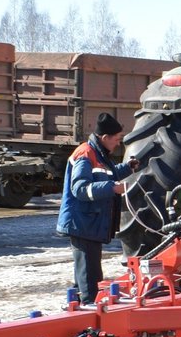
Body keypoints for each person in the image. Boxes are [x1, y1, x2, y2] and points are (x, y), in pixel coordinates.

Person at [57, 113, 154, 303]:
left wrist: (128, 168)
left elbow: (107, 173)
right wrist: (112, 188)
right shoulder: (85, 155)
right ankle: (88, 314)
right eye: (116, 140)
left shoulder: (98, 153)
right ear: (105, 138)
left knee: (89, 275)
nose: (118, 144)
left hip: (89, 223)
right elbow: (80, 189)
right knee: (89, 278)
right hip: (82, 224)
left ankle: (83, 307)